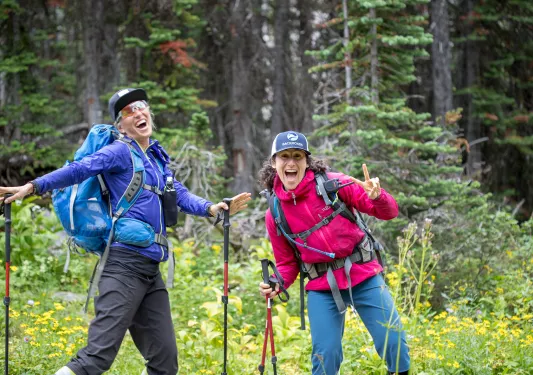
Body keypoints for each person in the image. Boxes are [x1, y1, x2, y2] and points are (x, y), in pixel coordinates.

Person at [0, 88, 251, 375]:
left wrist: (210, 208)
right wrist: (33, 187)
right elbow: (80, 169)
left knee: (164, 363)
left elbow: (178, 193)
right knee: (96, 358)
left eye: (141, 106)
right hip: (123, 267)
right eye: (128, 111)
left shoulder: (156, 161)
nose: (138, 113)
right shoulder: (119, 151)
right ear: (120, 125)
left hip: (150, 271)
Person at [258, 131, 410, 375]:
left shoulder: (334, 184)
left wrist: (378, 196)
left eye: (297, 156)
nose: (291, 163)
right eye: (284, 156)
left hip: (363, 274)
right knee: (325, 355)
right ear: (274, 163)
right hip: (322, 286)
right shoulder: (275, 212)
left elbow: (388, 212)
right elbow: (287, 263)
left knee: (394, 342)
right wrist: (277, 282)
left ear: (307, 161)